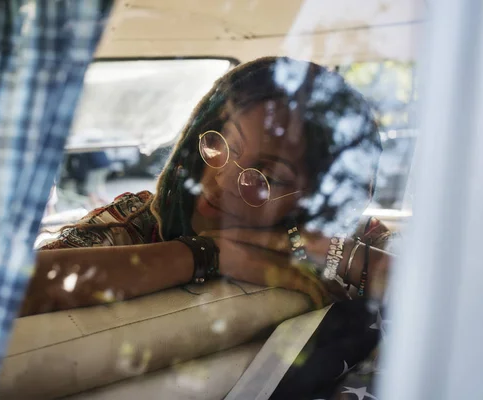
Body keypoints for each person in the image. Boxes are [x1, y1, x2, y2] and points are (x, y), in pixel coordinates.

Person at [20, 56, 396, 318]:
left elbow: (442, 309)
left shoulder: (352, 246)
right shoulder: (137, 221)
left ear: (317, 200)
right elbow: (3, 290)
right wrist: (207, 254)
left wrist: (314, 247)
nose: (222, 178)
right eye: (220, 145)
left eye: (269, 175)